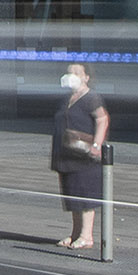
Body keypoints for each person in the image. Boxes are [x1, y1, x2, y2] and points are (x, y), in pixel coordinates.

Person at [48, 62, 109, 252]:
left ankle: (86, 235)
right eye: (69, 72)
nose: (71, 75)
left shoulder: (91, 97)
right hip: (67, 154)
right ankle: (75, 233)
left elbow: (102, 119)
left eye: (76, 72)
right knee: (72, 194)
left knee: (85, 195)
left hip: (83, 155)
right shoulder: (67, 98)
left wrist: (97, 145)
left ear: (86, 77)